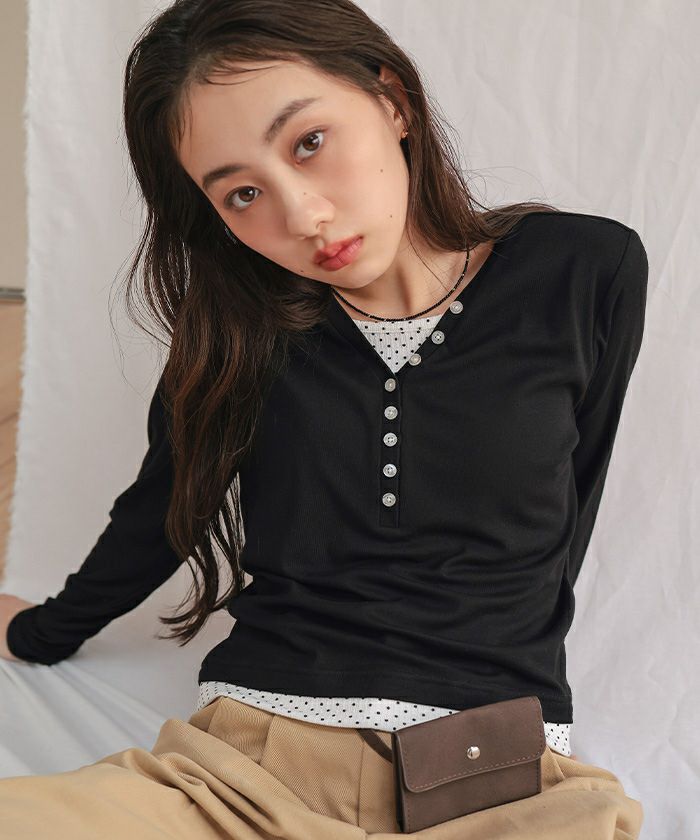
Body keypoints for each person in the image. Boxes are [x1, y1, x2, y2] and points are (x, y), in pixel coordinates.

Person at [0, 0, 647, 836]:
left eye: (309, 142)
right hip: (244, 772)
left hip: (499, 778)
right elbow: (163, 511)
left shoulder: (583, 270)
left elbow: (569, 511)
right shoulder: (237, 331)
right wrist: (38, 632)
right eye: (242, 193)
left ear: (392, 100)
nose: (303, 217)